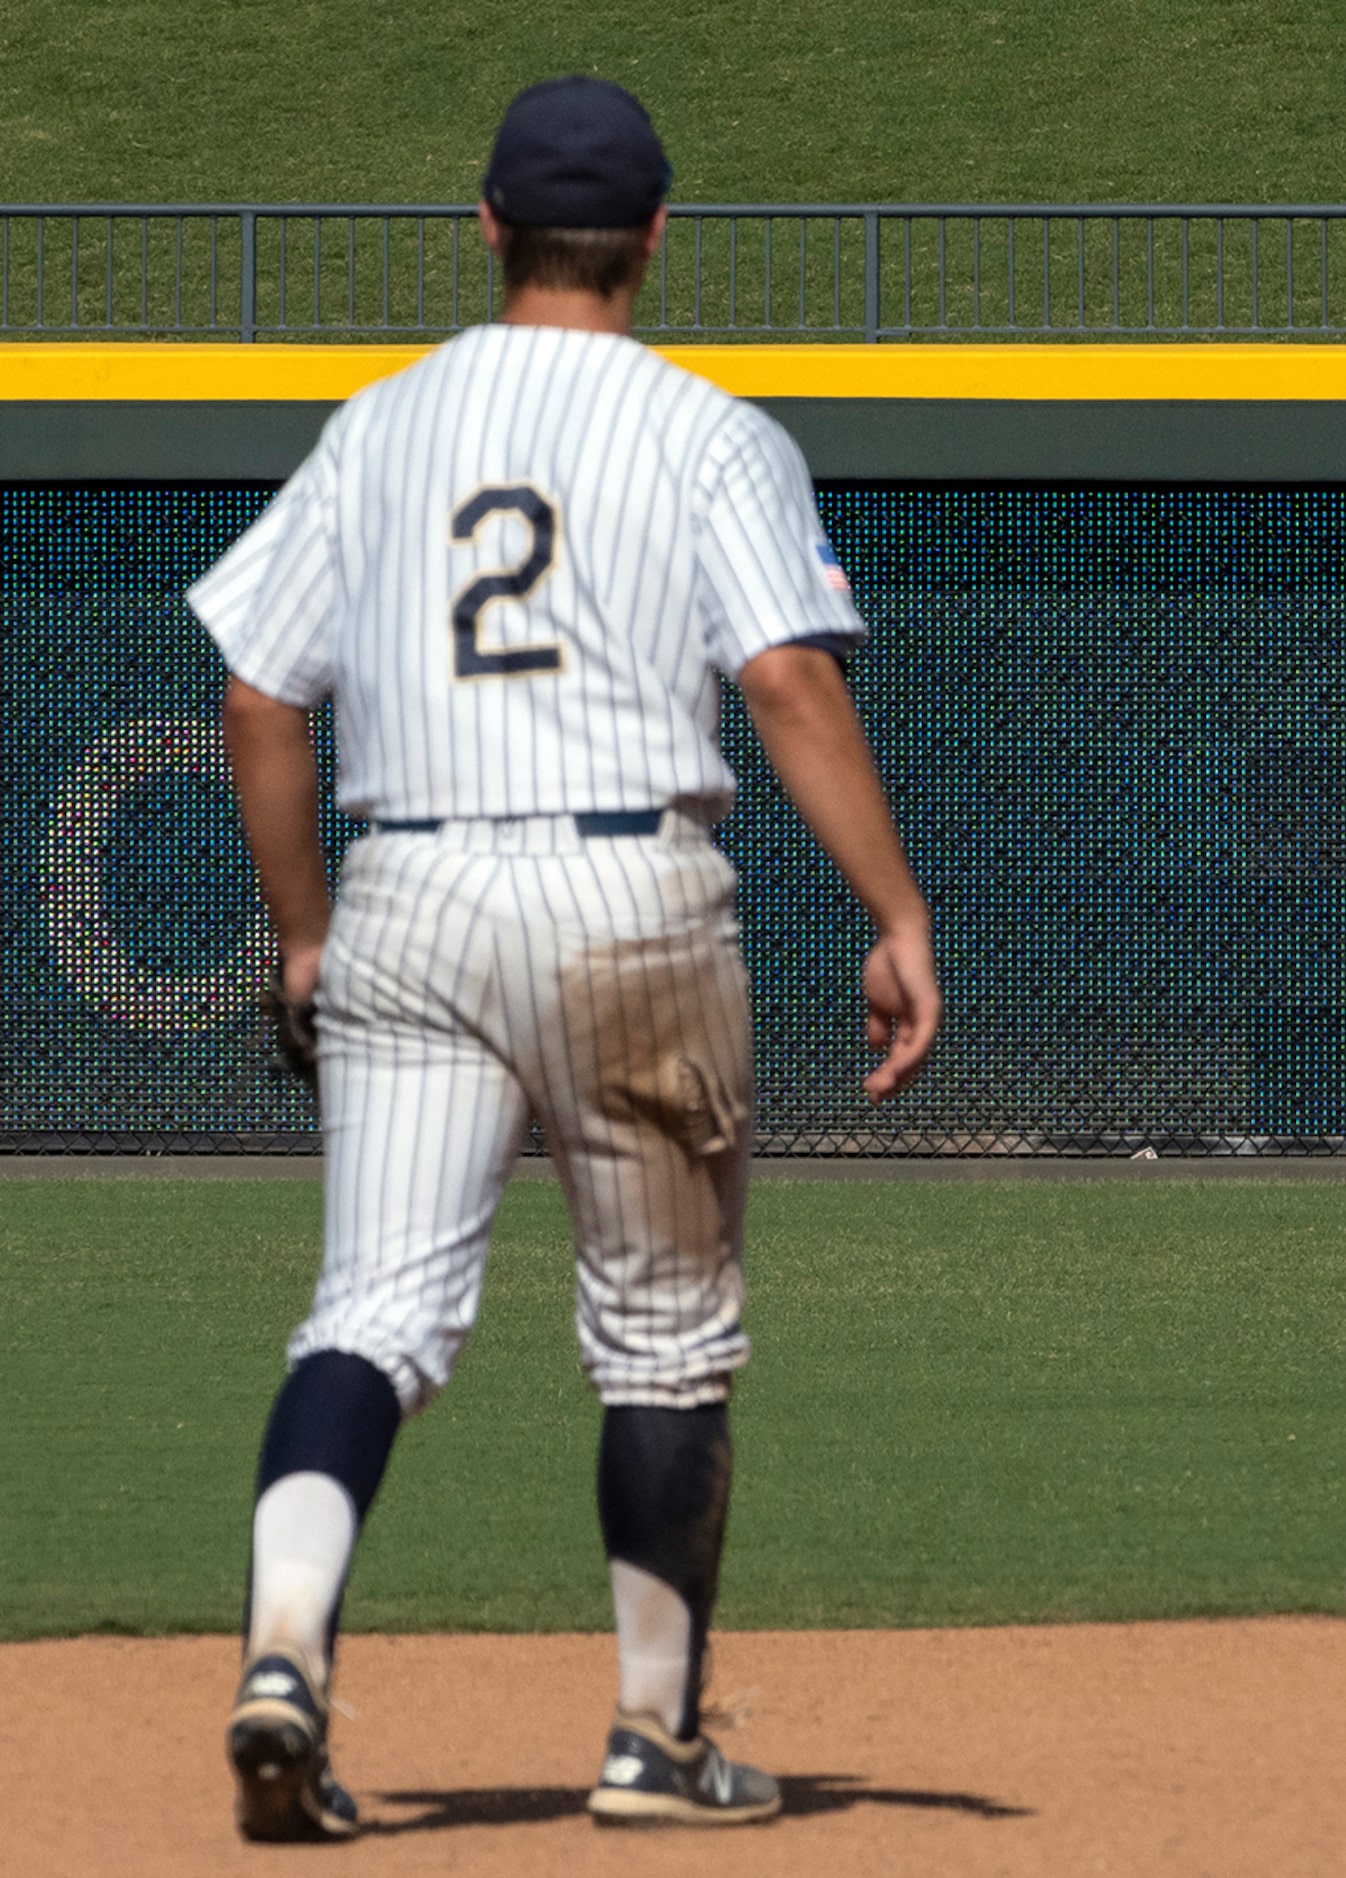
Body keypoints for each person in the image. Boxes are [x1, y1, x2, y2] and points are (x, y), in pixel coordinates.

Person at [194, 75, 941, 1838]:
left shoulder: (376, 427)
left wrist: (305, 934)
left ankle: (285, 1650)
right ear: (659, 238)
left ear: (485, 227)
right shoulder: (702, 428)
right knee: (664, 1342)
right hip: (632, 904)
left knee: (372, 1313)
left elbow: (255, 693)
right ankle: (652, 1739)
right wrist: (896, 912)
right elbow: (780, 677)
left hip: (411, 890)